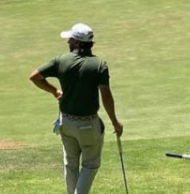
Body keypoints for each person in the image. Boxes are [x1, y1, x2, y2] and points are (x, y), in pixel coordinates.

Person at [30, 23, 123, 194]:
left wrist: (54, 91)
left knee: (70, 164)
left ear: (77, 43)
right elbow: (106, 96)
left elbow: (35, 77)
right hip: (88, 124)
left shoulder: (60, 60)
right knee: (90, 164)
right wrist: (115, 122)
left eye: (71, 40)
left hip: (66, 122)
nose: (68, 42)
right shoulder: (99, 64)